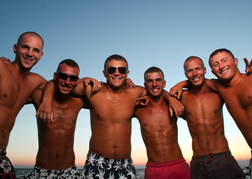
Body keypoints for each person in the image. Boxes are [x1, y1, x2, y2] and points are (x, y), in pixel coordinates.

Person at [38, 54, 183, 179]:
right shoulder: (92, 90)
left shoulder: (136, 93)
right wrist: (47, 100)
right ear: (104, 72)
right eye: (112, 69)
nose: (117, 73)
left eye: (121, 70)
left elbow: (156, 91)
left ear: (127, 73)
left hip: (125, 163)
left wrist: (170, 99)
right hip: (97, 161)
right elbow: (59, 82)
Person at [171, 56, 245, 179]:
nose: (194, 73)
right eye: (190, 71)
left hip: (222, 156)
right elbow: (165, 95)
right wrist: (173, 95)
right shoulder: (182, 97)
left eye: (198, 69)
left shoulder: (218, 91)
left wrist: (183, 83)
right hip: (198, 161)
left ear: (205, 70)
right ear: (185, 74)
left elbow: (235, 82)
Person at [23, 59, 92, 178]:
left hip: (69, 172)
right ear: (55, 76)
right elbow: (10, 96)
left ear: (77, 81)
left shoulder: (79, 101)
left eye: (72, 78)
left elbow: (108, 102)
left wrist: (127, 84)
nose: (67, 82)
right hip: (41, 171)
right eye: (63, 76)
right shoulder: (38, 96)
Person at [0, 31, 47, 178]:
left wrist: (47, 100)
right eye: (25, 47)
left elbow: (60, 87)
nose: (30, 53)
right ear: (15, 48)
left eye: (35, 50)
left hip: (2, 154)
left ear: (41, 55)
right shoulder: (1, 68)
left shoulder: (35, 81)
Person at [134, 67, 190, 179]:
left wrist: (170, 97)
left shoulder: (175, 104)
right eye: (150, 81)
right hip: (154, 169)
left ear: (164, 83)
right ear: (145, 85)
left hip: (178, 165)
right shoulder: (138, 108)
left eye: (158, 80)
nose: (154, 84)